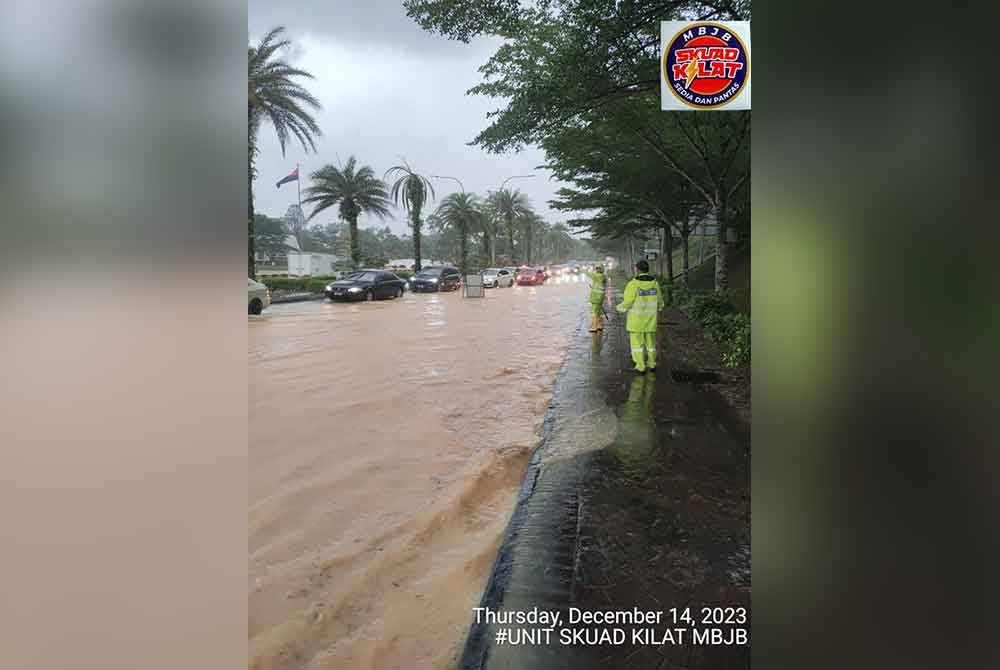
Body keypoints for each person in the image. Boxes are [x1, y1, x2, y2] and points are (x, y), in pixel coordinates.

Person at [616, 259, 664, 372]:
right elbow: (660, 301)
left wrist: (619, 308)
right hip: (650, 321)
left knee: (637, 345)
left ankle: (640, 366)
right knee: (651, 345)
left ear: (637, 270)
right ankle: (651, 364)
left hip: (636, 322)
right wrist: (661, 307)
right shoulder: (655, 284)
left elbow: (628, 302)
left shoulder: (633, 284)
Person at [583, 264, 607, 332]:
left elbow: (589, 274)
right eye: (596, 268)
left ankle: (594, 327)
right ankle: (600, 325)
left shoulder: (598, 276)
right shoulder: (603, 276)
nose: (597, 270)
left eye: (598, 268)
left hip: (596, 297)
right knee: (598, 312)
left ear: (601, 269)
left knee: (594, 312)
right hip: (600, 297)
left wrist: (583, 270)